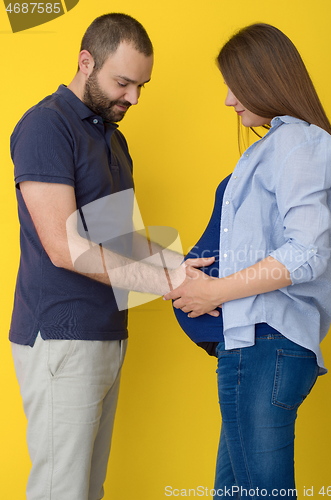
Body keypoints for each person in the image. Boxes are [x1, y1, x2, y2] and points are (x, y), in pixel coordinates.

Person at [10, 13, 214, 500]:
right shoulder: (46, 126)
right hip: (62, 335)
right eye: (123, 82)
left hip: (107, 332)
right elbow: (64, 247)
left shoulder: (113, 138)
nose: (134, 98)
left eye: (142, 85)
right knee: (62, 491)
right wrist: (166, 281)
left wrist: (184, 270)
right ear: (86, 62)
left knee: (88, 489)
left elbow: (116, 239)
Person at [165, 23, 331, 499]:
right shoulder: (272, 147)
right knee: (235, 493)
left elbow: (306, 252)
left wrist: (214, 291)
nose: (228, 99)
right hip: (252, 349)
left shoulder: (300, 142)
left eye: (235, 84)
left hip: (264, 348)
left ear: (264, 79)